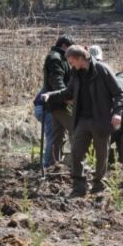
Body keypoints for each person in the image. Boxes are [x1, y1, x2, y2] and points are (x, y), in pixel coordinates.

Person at [42, 46, 123, 197]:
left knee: (102, 155)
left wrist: (117, 113)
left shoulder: (102, 70)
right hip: (82, 120)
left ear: (81, 58)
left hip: (101, 120)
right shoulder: (76, 73)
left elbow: (119, 93)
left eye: (72, 61)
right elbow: (68, 92)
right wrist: (51, 95)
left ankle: (98, 185)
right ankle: (79, 188)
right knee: (76, 153)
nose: (70, 65)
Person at [43, 35, 75, 164]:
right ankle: (77, 163)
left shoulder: (61, 58)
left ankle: (54, 163)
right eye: (71, 48)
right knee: (75, 130)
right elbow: (56, 80)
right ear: (64, 46)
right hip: (60, 102)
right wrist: (67, 98)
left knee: (58, 136)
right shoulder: (56, 58)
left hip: (57, 102)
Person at [33, 89, 55, 167]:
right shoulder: (57, 83)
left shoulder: (48, 83)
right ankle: (47, 163)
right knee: (51, 137)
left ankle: (49, 161)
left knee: (50, 136)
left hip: (38, 108)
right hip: (44, 109)